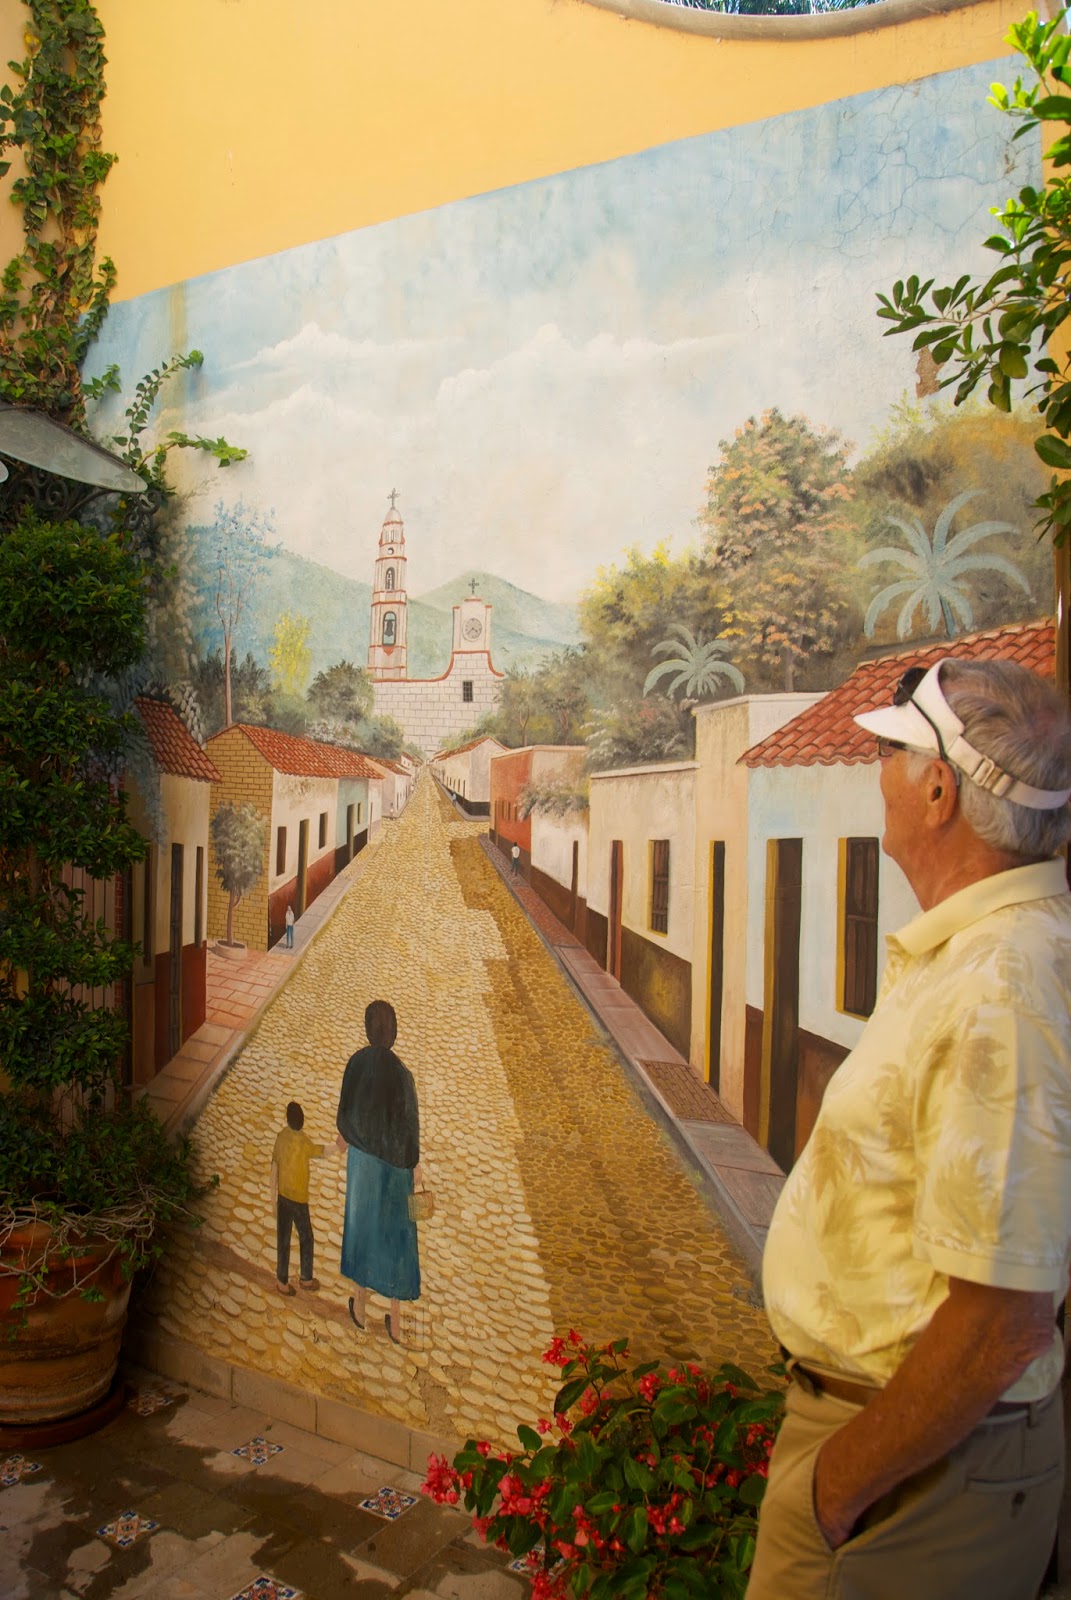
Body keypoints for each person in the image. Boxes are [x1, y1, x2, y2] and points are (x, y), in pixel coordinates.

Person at [748, 657, 1071, 1600]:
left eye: (889, 754)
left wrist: (833, 1492)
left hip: (911, 1474)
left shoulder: (998, 990)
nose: (875, 773)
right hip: (910, 1455)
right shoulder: (986, 956)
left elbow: (1000, 1322)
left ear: (939, 792)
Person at [336, 999, 422, 1345]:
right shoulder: (403, 1075)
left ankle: (359, 1307)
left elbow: (344, 1116)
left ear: (368, 1029)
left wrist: (350, 1138)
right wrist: (413, 1165)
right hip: (396, 1169)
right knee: (397, 1240)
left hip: (363, 1163)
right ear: (394, 1032)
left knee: (362, 1229)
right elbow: (410, 1128)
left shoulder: (356, 1063)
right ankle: (395, 1323)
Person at [270, 1100, 324, 1296]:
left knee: (283, 1240)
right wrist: (338, 1147)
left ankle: (282, 1281)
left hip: (283, 1197)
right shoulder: (303, 1140)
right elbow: (320, 1152)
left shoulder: (281, 1138)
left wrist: (273, 1201)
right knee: (306, 1237)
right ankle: (306, 1278)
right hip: (300, 1200)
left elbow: (274, 1170)